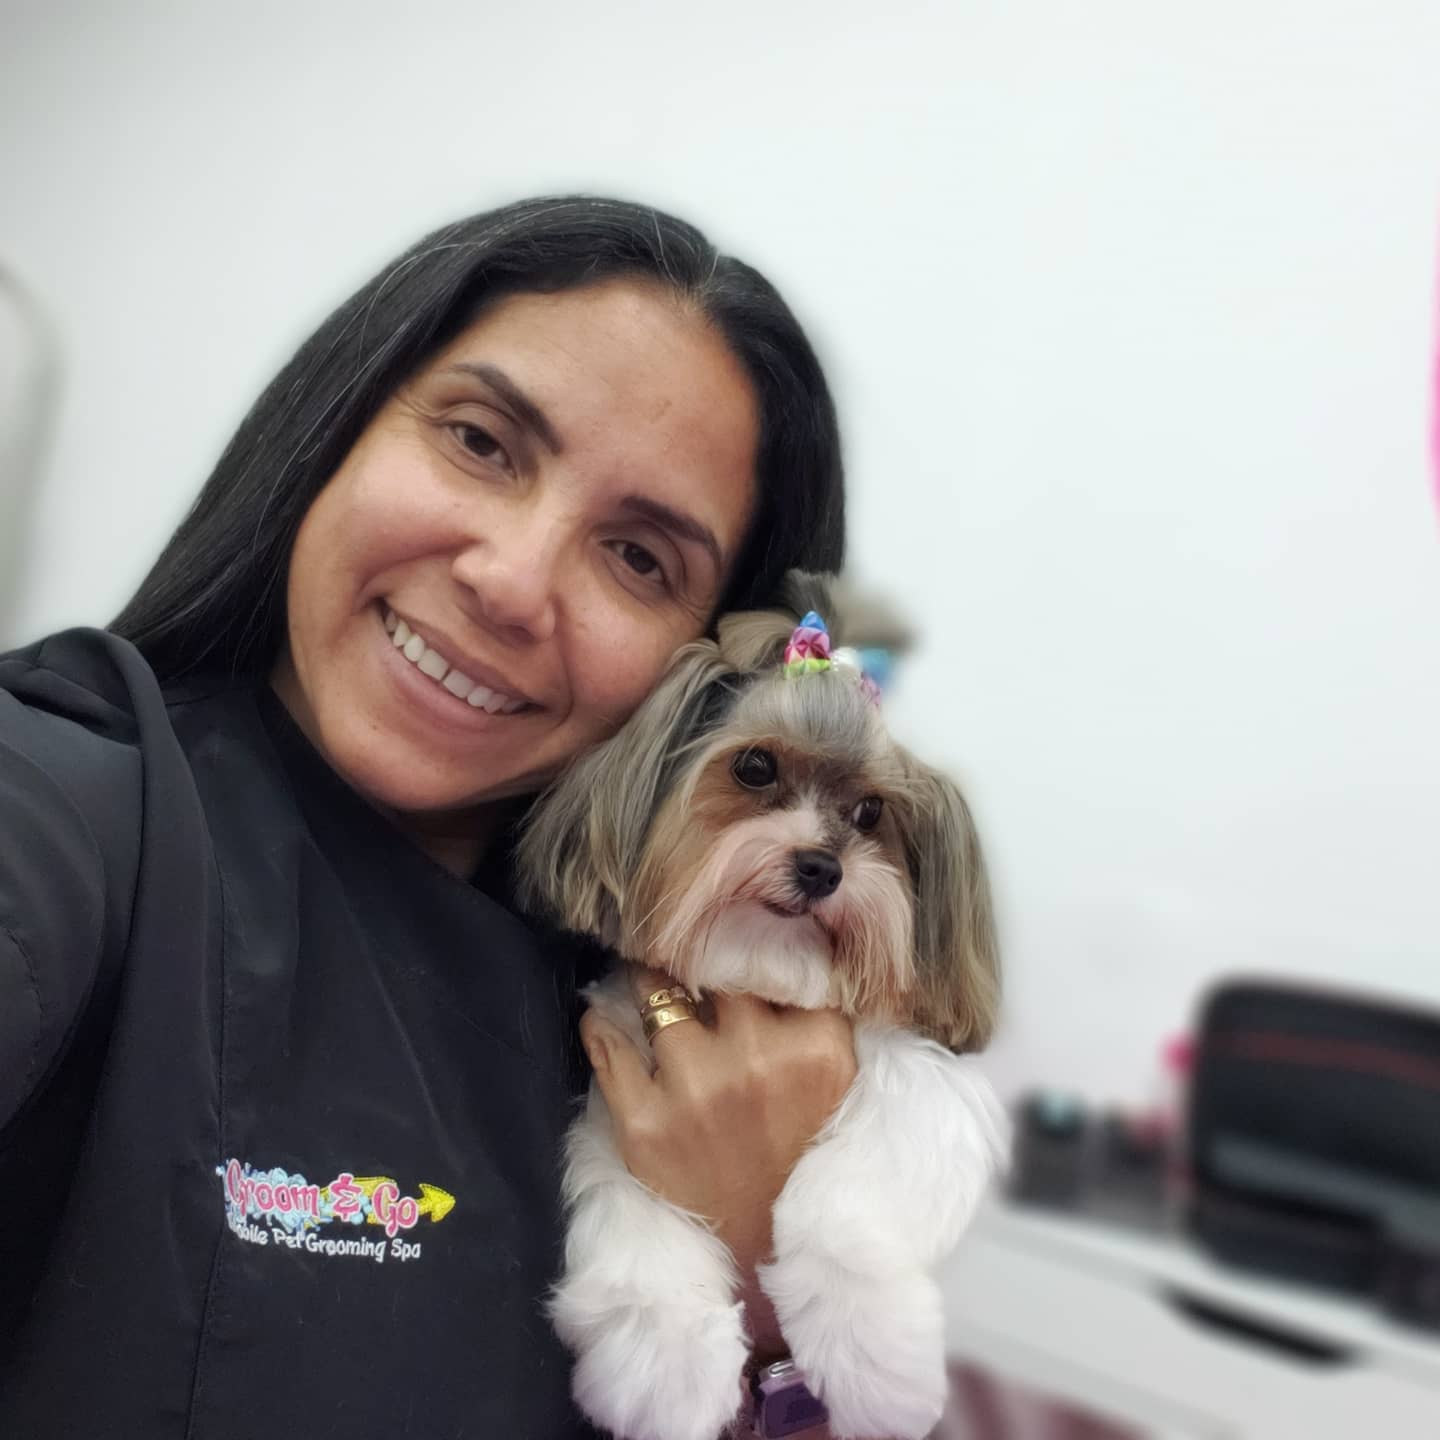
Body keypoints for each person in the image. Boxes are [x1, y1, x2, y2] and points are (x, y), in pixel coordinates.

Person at [0, 195, 856, 1437]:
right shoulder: (80, 806)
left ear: (716, 671)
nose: (510, 582)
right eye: (480, 442)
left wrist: (780, 1288)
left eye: (638, 558)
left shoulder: (710, 1053)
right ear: (340, 421)